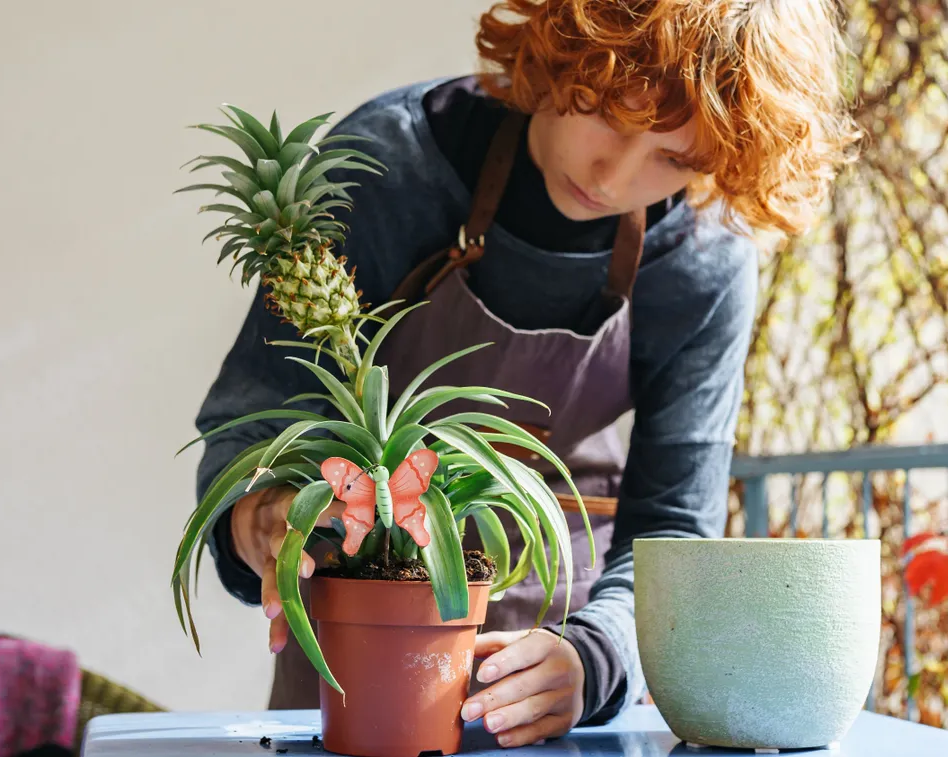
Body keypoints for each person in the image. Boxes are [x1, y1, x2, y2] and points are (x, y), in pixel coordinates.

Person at [193, 0, 858, 747]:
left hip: (563, 646)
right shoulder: (390, 166)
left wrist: (594, 657)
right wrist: (261, 517)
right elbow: (254, 421)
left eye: (675, 159)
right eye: (608, 113)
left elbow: (674, 526)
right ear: (563, 51)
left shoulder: (704, 255)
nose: (614, 177)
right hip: (358, 644)